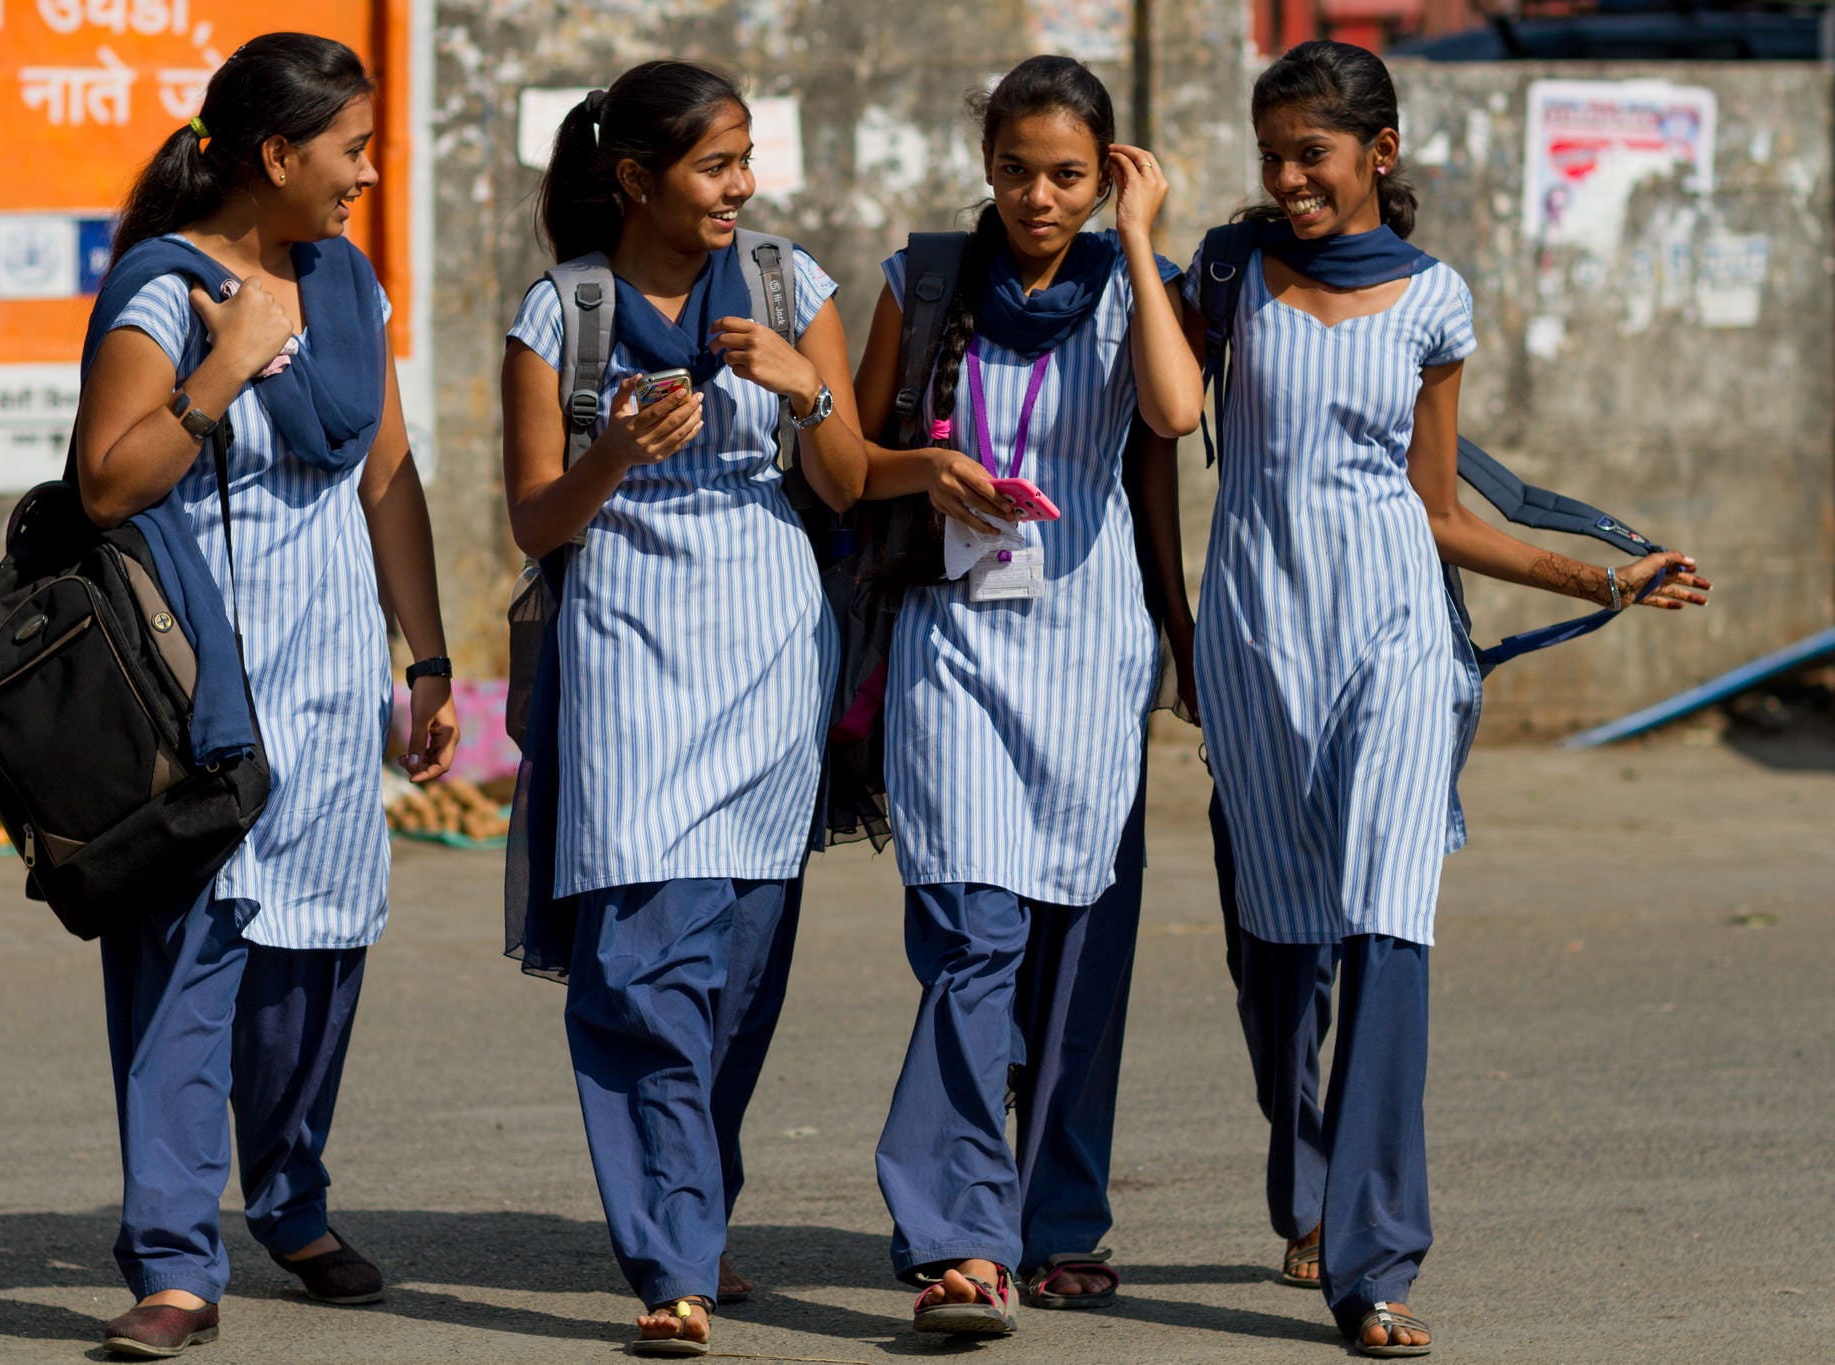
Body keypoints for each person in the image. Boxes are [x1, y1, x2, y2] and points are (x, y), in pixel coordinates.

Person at [1184, 40, 1710, 1358]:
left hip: (1398, 654)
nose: (1289, 176)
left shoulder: (1435, 301)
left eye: (1312, 151)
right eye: (1272, 153)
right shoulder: (1231, 275)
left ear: (1381, 153)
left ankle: (1375, 1262)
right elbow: (1155, 417)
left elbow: (1436, 508)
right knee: (1276, 954)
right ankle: (1303, 1182)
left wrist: (1595, 574)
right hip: (1257, 651)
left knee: (1386, 929)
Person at [73, 33, 459, 1359]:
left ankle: (292, 1204)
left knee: (315, 969)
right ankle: (177, 1262)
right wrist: (224, 367)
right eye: (349, 150)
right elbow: (108, 483)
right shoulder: (162, 291)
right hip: (198, 702)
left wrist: (428, 658)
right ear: (278, 153)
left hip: (331, 686)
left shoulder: (351, 286)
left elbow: (390, 480)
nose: (365, 173)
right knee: (187, 972)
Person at [500, 60, 866, 1357]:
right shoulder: (563, 314)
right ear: (638, 179)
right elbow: (533, 517)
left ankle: (694, 1213)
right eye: (717, 166)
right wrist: (612, 455)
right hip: (628, 661)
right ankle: (672, 1261)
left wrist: (803, 387)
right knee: (636, 964)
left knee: (739, 973)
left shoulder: (787, 286)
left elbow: (851, 476)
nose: (743, 187)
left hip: (772, 660)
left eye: (747, 159)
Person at [849, 55, 1201, 1335]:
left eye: (1065, 175)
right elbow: (849, 459)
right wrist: (923, 469)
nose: (1037, 199)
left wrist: (1142, 236)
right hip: (953, 655)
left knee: (1073, 958)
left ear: (1105, 171)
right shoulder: (924, 282)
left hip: (1090, 662)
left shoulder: (1131, 288)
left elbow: (1172, 409)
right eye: (1015, 171)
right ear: (984, 165)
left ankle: (1059, 1220)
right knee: (970, 942)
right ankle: (956, 1240)